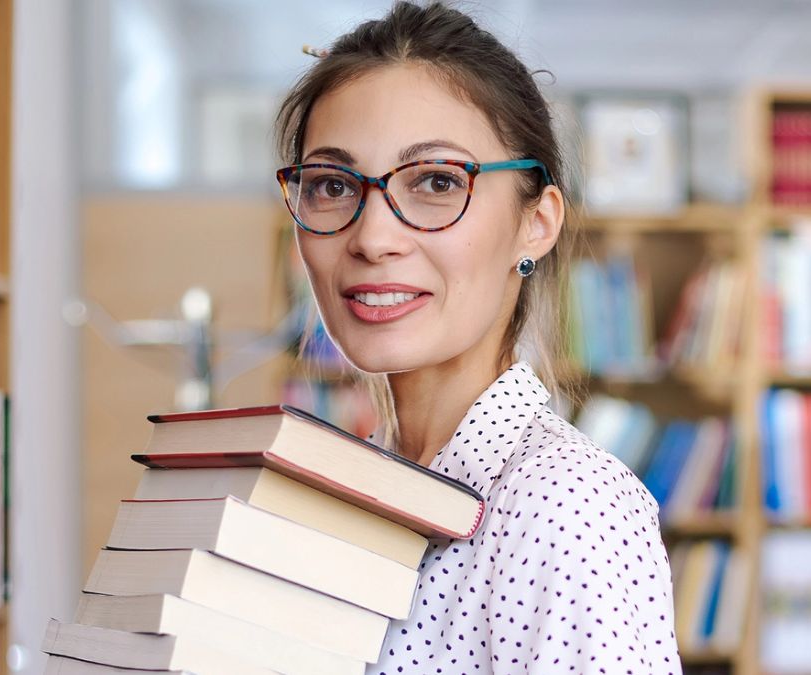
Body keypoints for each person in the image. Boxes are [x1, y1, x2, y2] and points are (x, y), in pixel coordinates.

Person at [273, 3, 680, 673]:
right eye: (333, 184)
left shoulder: (567, 507)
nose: (373, 237)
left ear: (536, 223)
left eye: (436, 181)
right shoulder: (358, 495)